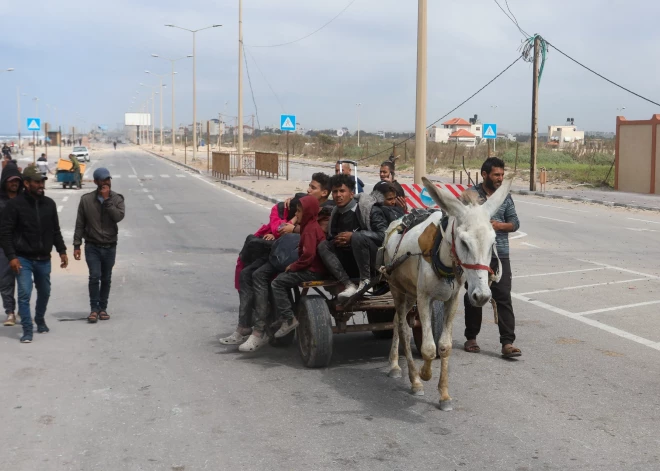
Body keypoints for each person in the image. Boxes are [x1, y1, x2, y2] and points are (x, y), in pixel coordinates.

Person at [239, 196, 327, 352]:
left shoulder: (309, 230)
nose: (296, 214)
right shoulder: (308, 226)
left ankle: (288, 318)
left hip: (311, 269)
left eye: (299, 212)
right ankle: (260, 324)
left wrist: (294, 266)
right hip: (307, 265)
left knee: (277, 283)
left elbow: (308, 256)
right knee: (253, 274)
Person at [0, 166, 68, 343]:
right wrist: (12, 257)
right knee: (24, 293)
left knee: (45, 291)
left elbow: (55, 231)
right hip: (23, 257)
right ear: (27, 183)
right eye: (37, 182)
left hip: (44, 258)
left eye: (42, 181)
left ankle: (39, 319)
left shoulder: (49, 204)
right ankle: (27, 330)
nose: (40, 185)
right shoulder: (15, 205)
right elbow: (5, 233)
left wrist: (62, 251)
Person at [463, 157, 522, 358]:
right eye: (496, 174)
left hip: (500, 255)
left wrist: (499, 226)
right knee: (474, 295)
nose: (500, 178)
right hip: (477, 255)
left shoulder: (505, 196)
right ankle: (471, 337)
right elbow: (461, 221)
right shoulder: (471, 194)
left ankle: (507, 343)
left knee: (503, 296)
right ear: (485, 175)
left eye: (502, 175)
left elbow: (515, 222)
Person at [318, 173, 388, 299]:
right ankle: (349, 285)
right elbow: (331, 237)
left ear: (351, 193)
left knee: (357, 237)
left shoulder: (369, 209)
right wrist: (337, 241)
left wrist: (354, 236)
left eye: (342, 191)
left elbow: (385, 236)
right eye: (335, 192)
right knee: (323, 246)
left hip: (373, 263)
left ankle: (366, 283)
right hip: (349, 263)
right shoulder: (335, 213)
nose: (338, 195)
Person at [73, 168, 125, 323]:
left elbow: (118, 217)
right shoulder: (86, 200)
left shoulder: (117, 199)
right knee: (94, 276)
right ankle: (94, 309)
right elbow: (80, 224)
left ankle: (103, 308)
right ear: (96, 182)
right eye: (103, 180)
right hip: (92, 246)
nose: (106, 182)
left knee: (106, 278)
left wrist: (107, 200)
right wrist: (76, 245)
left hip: (110, 246)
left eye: (108, 179)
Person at [0, 163, 22, 326]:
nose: (14, 183)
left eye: (16, 181)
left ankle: (24, 309)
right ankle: (10, 312)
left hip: (22, 246)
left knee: (23, 280)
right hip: (2, 247)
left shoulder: (25, 199)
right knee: (5, 280)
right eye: (10, 181)